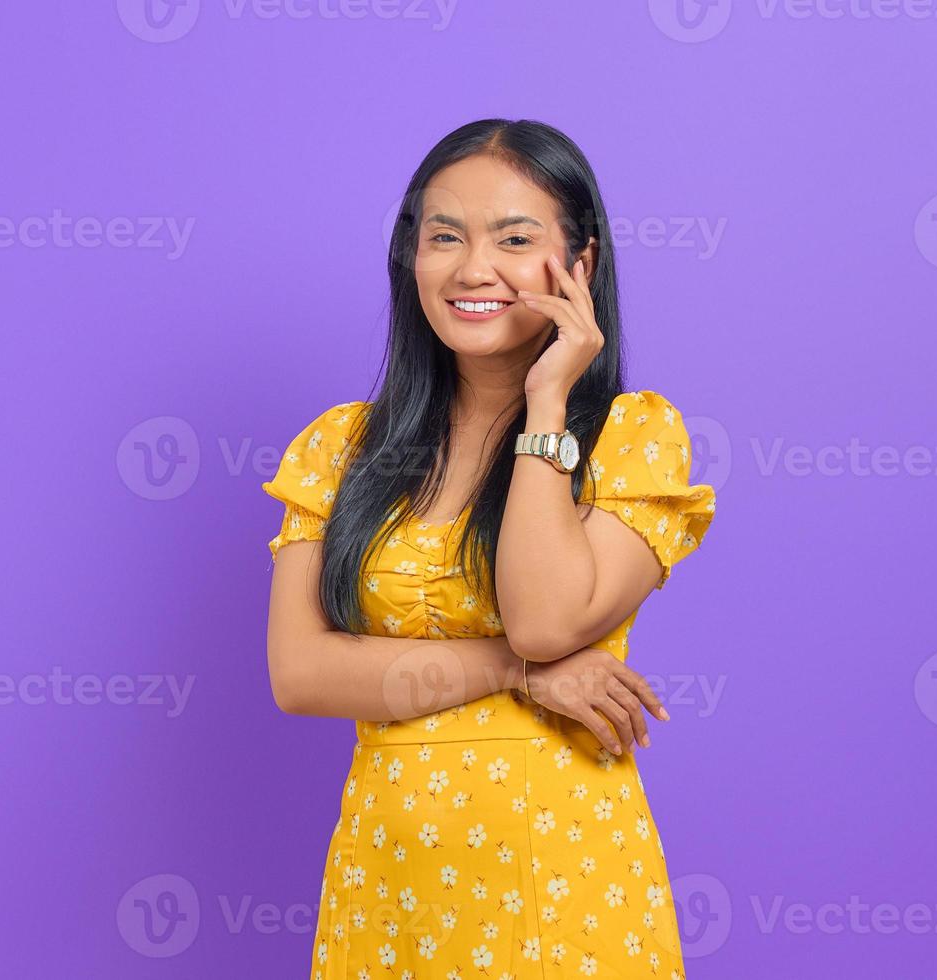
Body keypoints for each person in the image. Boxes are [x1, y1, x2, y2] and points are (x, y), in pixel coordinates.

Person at [262, 118, 717, 979]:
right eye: (444, 238)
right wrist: (514, 674)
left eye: (514, 239)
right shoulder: (339, 448)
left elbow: (546, 623)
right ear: (411, 260)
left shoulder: (631, 437)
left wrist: (549, 406)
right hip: (386, 890)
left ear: (579, 266)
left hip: (564, 888)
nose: (473, 270)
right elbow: (300, 673)